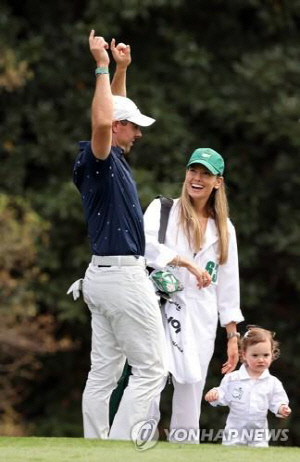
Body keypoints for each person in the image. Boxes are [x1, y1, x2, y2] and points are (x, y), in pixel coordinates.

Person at [68, 31, 167, 440]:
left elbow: (115, 113)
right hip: (123, 279)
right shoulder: (101, 157)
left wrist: (121, 71)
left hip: (102, 277)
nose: (139, 134)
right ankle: (120, 446)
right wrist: (102, 67)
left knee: (104, 372)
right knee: (151, 369)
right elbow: (105, 120)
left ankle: (95, 445)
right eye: (135, 128)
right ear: (119, 128)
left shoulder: (111, 160)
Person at [144, 148, 244, 443]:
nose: (197, 178)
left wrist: (232, 337)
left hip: (200, 316)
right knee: (151, 383)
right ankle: (134, 446)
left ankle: (184, 450)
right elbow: (142, 245)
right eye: (193, 171)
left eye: (205, 173)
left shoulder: (224, 229)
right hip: (160, 307)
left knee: (191, 389)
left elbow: (228, 286)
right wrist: (184, 262)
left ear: (218, 182)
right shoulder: (162, 209)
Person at [205, 326, 291, 447]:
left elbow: (277, 401)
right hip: (234, 433)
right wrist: (215, 394)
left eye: (266, 355)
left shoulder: (273, 382)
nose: (261, 360)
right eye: (255, 355)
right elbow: (222, 394)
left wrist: (281, 407)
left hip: (259, 435)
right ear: (244, 355)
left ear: (272, 354)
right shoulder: (233, 378)